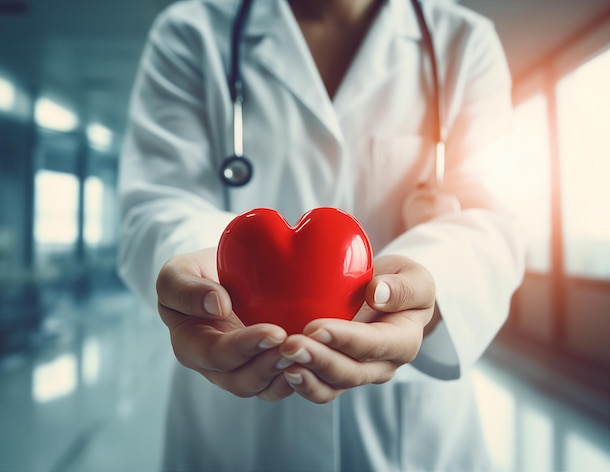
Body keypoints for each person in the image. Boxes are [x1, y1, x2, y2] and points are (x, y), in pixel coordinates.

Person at [118, 0, 525, 470]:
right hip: (232, 422)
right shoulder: (191, 32)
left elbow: (493, 218)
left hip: (411, 434)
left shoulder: (463, 40)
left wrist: (420, 292)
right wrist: (206, 275)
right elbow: (157, 203)